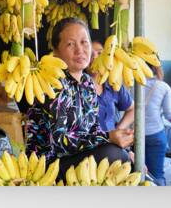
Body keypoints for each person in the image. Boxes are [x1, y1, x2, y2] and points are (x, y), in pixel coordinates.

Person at [23, 17, 134, 172]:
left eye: (84, 42)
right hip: (49, 165)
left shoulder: (87, 83)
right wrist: (108, 138)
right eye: (70, 44)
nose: (79, 50)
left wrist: (123, 149)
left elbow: (93, 129)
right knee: (113, 153)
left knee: (125, 156)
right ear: (56, 52)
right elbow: (60, 143)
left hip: (78, 158)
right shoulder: (53, 84)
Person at [142, 63, 171, 185]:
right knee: (157, 175)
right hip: (155, 136)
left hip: (135, 136)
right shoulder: (163, 87)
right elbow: (169, 114)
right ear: (157, 68)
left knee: (140, 175)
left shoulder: (132, 85)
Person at [90, 39, 135, 133]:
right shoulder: (77, 86)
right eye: (90, 54)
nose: (94, 57)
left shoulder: (113, 83)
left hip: (112, 145)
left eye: (99, 53)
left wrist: (118, 130)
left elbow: (133, 109)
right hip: (90, 145)